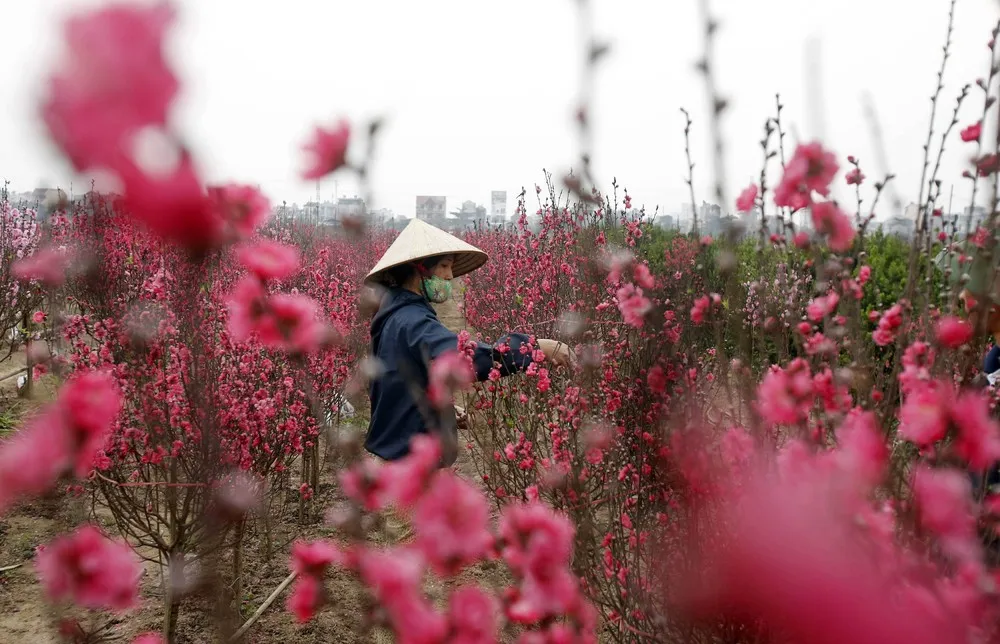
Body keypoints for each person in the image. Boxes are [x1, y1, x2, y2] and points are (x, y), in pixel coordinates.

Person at [363, 218, 571, 467]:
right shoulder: (411, 319)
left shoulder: (394, 314)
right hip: (412, 461)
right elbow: (465, 357)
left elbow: (397, 383)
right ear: (419, 269)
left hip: (401, 448)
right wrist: (533, 347)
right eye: (444, 266)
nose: (450, 276)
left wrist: (441, 414)